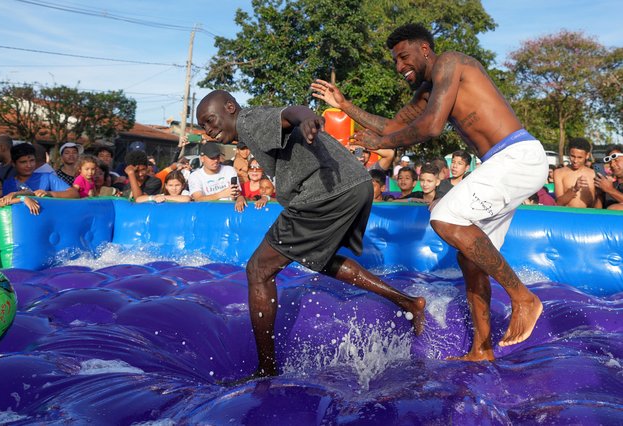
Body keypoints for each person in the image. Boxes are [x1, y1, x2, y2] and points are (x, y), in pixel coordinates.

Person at [313, 22, 547, 361]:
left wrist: (382, 143)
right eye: (394, 61)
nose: (398, 67)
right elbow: (396, 127)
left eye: (403, 57)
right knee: (470, 257)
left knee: (444, 216)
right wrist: (345, 106)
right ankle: (481, 349)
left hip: (519, 156)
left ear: (425, 49)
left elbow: (430, 126)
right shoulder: (429, 89)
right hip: (502, 162)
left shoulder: (451, 62)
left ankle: (523, 298)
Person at [196, 89, 426, 378]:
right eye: (203, 126)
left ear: (230, 107)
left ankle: (266, 369)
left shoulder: (248, 120)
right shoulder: (249, 131)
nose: (208, 129)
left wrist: (306, 118)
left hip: (326, 192)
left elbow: (289, 114)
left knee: (258, 270)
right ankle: (408, 302)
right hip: (353, 186)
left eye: (209, 120)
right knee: (320, 257)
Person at [2, 143, 79, 199]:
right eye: (23, 162)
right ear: (13, 164)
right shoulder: (6, 184)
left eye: (32, 160)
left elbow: (74, 194)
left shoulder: (47, 177)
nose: (29, 165)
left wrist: (49, 194)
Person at [188, 142, 245, 211]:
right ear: (202, 158)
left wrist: (240, 198)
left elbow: (237, 193)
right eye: (212, 158)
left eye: (217, 157)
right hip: (207, 211)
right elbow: (198, 199)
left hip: (229, 211)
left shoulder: (229, 170)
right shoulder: (195, 176)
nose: (216, 160)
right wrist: (222, 194)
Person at [553, 137, 601, 208]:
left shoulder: (594, 174)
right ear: (569, 153)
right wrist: (574, 189)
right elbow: (559, 203)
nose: (575, 160)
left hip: (589, 217)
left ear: (587, 156)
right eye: (573, 156)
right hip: (567, 216)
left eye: (579, 157)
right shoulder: (559, 173)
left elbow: (598, 204)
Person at [595, 145, 623, 210]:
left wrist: (610, 190)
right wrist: (599, 194)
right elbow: (597, 212)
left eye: (616, 160)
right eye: (610, 162)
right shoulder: (610, 185)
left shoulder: (609, 187)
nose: (612, 165)